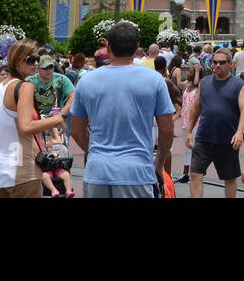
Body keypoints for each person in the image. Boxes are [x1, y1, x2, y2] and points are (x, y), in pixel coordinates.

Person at [69, 22, 176, 198]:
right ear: (137, 48)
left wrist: (94, 151)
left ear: (108, 48)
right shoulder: (155, 80)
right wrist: (159, 164)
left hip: (98, 172)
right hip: (137, 172)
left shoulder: (87, 81)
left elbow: (76, 129)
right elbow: (166, 129)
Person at [0, 38, 64, 198]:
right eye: (30, 60)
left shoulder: (0, 87)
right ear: (16, 61)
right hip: (22, 169)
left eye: (37, 59)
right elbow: (26, 126)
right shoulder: (25, 86)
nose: (36, 63)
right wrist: (57, 119)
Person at [186, 47, 244, 198]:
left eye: (222, 62)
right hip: (204, 138)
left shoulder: (238, 85)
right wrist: (188, 131)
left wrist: (239, 132)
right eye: (215, 62)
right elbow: (196, 108)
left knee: (229, 178)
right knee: (195, 173)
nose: (217, 65)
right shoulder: (205, 83)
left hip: (227, 140)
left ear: (230, 64)